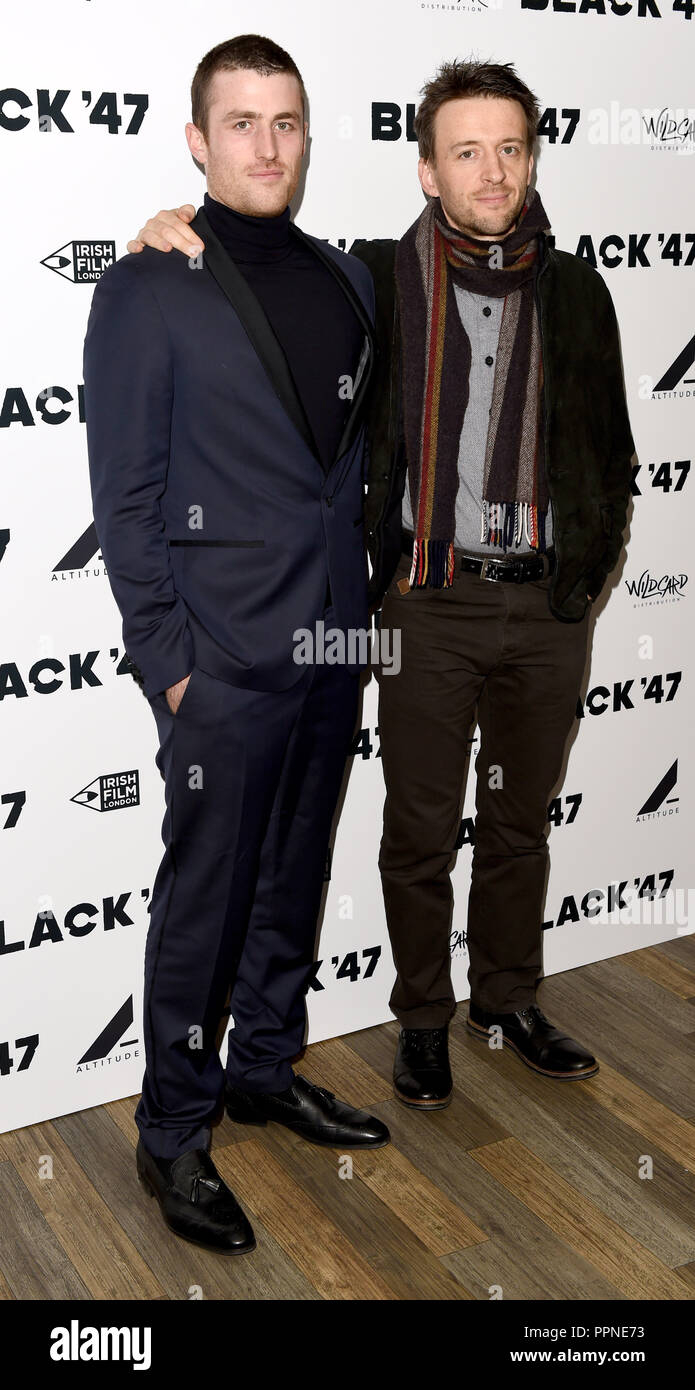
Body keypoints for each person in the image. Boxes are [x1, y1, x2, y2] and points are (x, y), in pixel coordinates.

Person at [124, 59, 634, 1114]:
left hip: (542, 608)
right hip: (422, 603)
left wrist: (581, 582)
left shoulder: (579, 291)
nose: (490, 172)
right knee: (415, 828)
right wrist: (162, 225)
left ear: (530, 159)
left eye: (509, 149)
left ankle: (506, 998)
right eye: (464, 150)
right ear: (423, 168)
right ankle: (421, 1021)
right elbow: (242, 261)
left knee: (517, 823)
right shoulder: (373, 283)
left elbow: (613, 454)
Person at [83, 33, 389, 1260]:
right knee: (203, 899)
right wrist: (171, 665)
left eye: (289, 121)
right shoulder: (147, 285)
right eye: (242, 122)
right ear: (199, 141)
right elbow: (128, 501)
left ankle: (264, 1066)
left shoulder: (350, 280)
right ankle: (171, 1128)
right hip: (218, 665)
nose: (268, 145)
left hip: (330, 640)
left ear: (308, 136)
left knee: (294, 876)